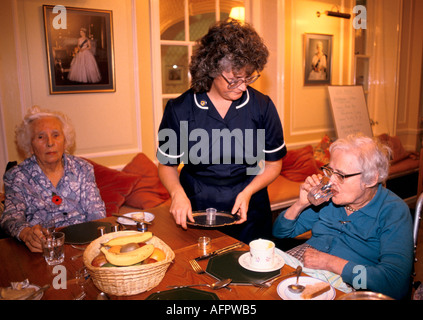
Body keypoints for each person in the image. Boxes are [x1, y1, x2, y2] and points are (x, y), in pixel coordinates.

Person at [156, 19, 286, 243]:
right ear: (211, 69)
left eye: (248, 77)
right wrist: (177, 193)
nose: (243, 86)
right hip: (196, 211)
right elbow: (166, 165)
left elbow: (274, 164)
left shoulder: (262, 106)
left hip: (250, 211)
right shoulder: (180, 109)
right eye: (234, 80)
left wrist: (248, 192)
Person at [272, 134, 414, 300]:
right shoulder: (328, 198)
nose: (331, 181)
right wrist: (300, 204)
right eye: (330, 171)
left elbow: (394, 285)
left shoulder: (393, 212)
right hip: (304, 268)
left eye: (340, 175)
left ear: (371, 179)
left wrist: (330, 262)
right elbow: (279, 232)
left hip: (352, 284)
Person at [0, 106, 106, 252]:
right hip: (42, 251)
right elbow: (10, 218)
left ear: (65, 141)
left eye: (56, 135)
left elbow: (97, 214)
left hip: (83, 247)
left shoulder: (83, 168)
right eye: (40, 137)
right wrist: (26, 233)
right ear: (30, 146)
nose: (50, 143)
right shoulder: (17, 176)